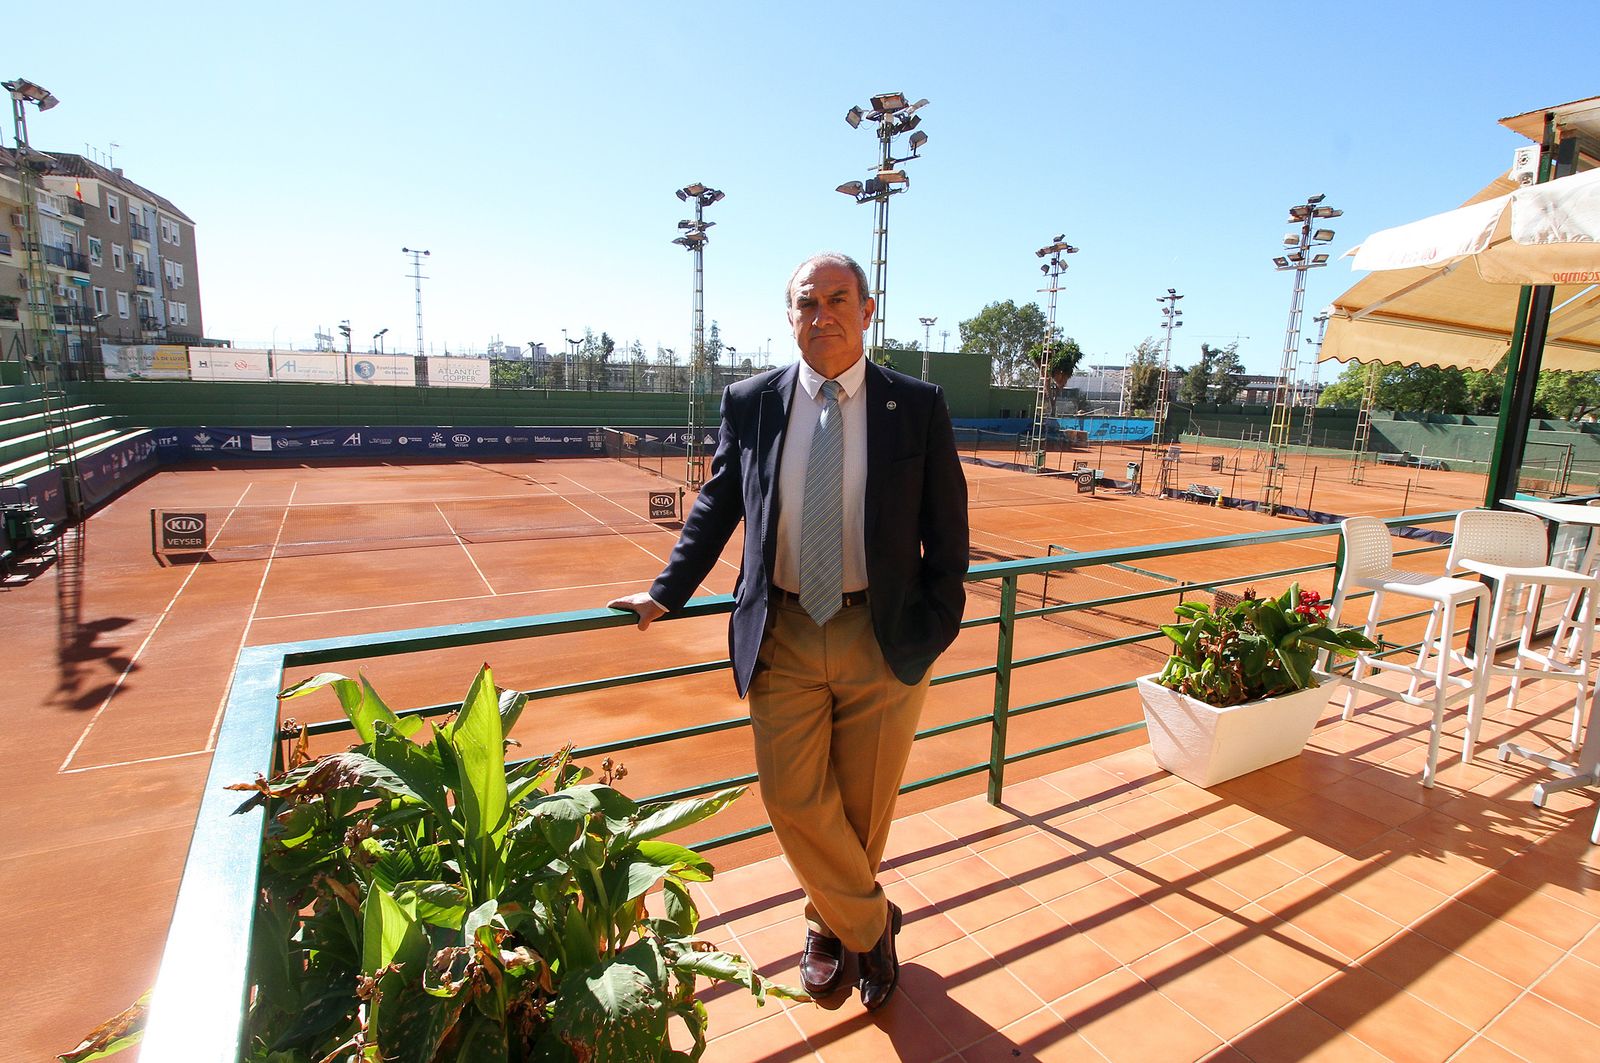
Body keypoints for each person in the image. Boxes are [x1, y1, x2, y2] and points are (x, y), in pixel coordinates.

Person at [608, 252, 968, 1011]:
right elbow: (717, 504)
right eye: (808, 302)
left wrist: (936, 624)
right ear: (791, 315)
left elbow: (949, 531)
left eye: (839, 299)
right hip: (786, 628)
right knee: (794, 798)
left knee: (864, 806)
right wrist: (666, 592)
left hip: (885, 629)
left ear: (868, 312)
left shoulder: (918, 403)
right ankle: (871, 924)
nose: (823, 314)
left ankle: (827, 927)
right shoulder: (753, 402)